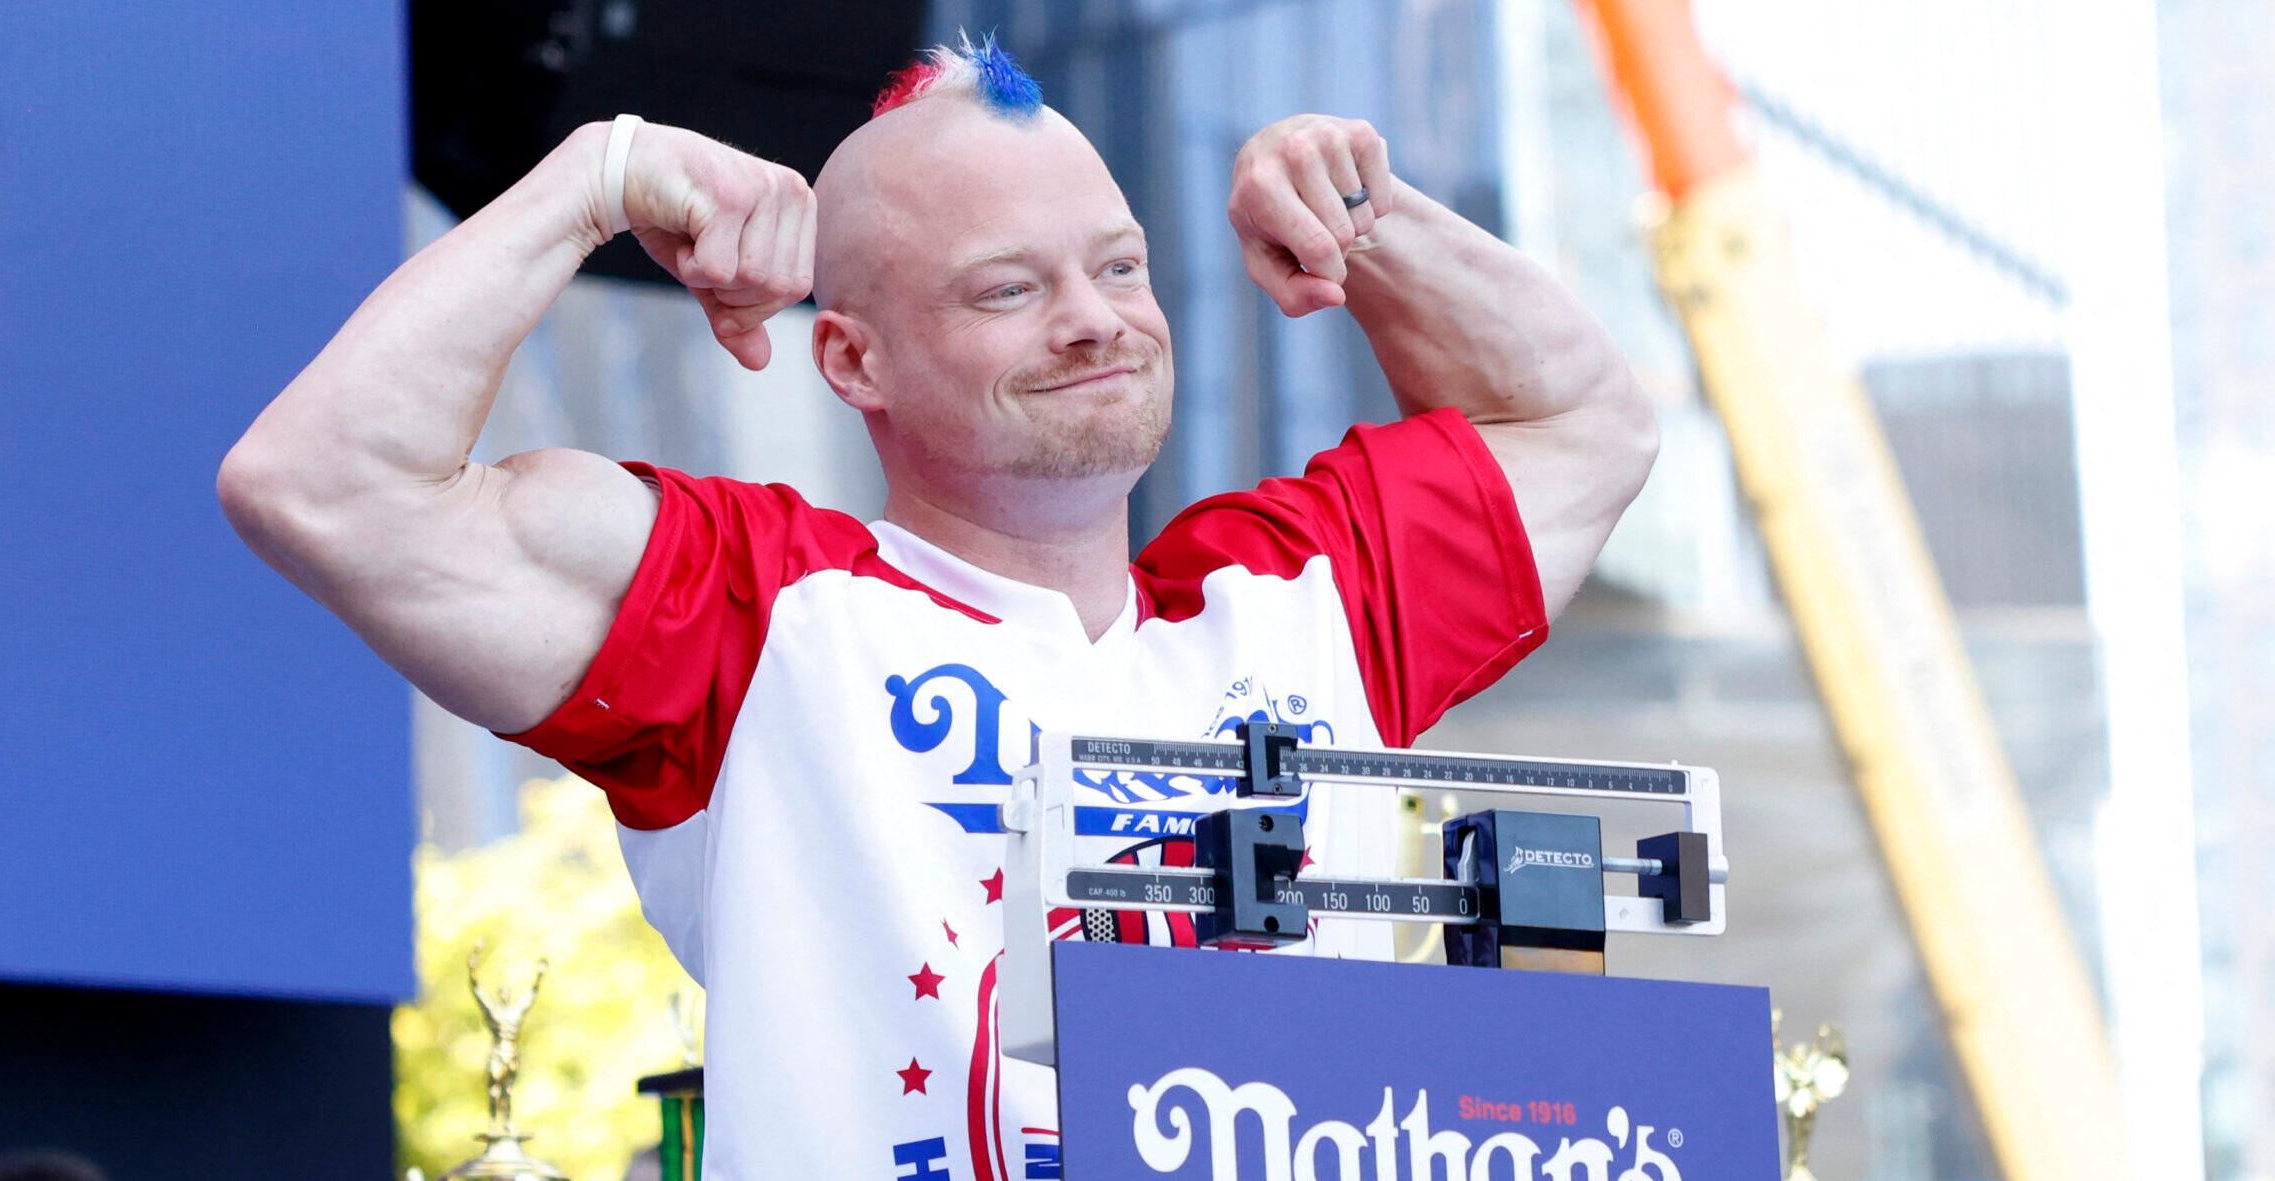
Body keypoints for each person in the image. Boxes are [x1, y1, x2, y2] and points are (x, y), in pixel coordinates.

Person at [218, 36, 1654, 1180]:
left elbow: (1586, 422)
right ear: (852, 359)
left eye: (1119, 266)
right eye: (1008, 289)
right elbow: (322, 485)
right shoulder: (761, 612)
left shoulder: (1288, 600)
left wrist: (1372, 222)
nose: (1094, 319)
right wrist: (595, 179)